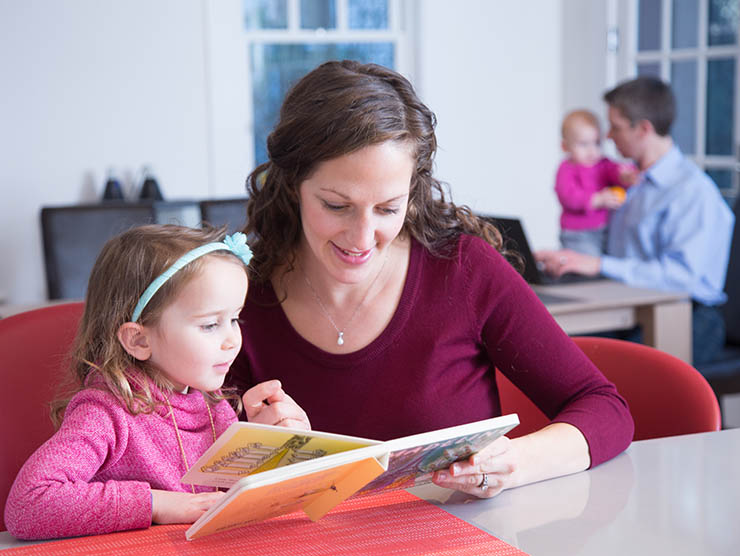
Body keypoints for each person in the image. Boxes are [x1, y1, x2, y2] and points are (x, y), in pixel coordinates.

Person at [228, 60, 634, 500]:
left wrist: (508, 466)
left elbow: (605, 410)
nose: (362, 238)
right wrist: (244, 440)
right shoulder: (240, 295)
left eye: (387, 208)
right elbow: (180, 457)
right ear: (293, 187)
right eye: (336, 205)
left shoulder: (463, 271)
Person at [5, 225, 309, 540]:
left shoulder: (212, 404)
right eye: (209, 325)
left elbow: (221, 507)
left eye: (234, 319)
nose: (233, 340)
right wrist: (157, 504)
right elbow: (28, 505)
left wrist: (269, 451)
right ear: (138, 340)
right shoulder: (106, 414)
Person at [536, 77, 735, 365]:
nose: (608, 137)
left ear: (643, 129)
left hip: (686, 314)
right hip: (628, 305)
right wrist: (574, 259)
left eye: (615, 127)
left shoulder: (691, 191)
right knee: (551, 348)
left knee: (607, 372)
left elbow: (681, 277)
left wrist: (598, 265)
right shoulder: (629, 181)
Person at [555, 109, 637, 256]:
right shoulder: (567, 168)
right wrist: (597, 199)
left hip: (606, 230)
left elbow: (615, 171)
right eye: (584, 144)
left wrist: (626, 175)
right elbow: (568, 197)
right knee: (586, 267)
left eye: (597, 143)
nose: (592, 150)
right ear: (565, 147)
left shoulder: (603, 164)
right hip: (578, 234)